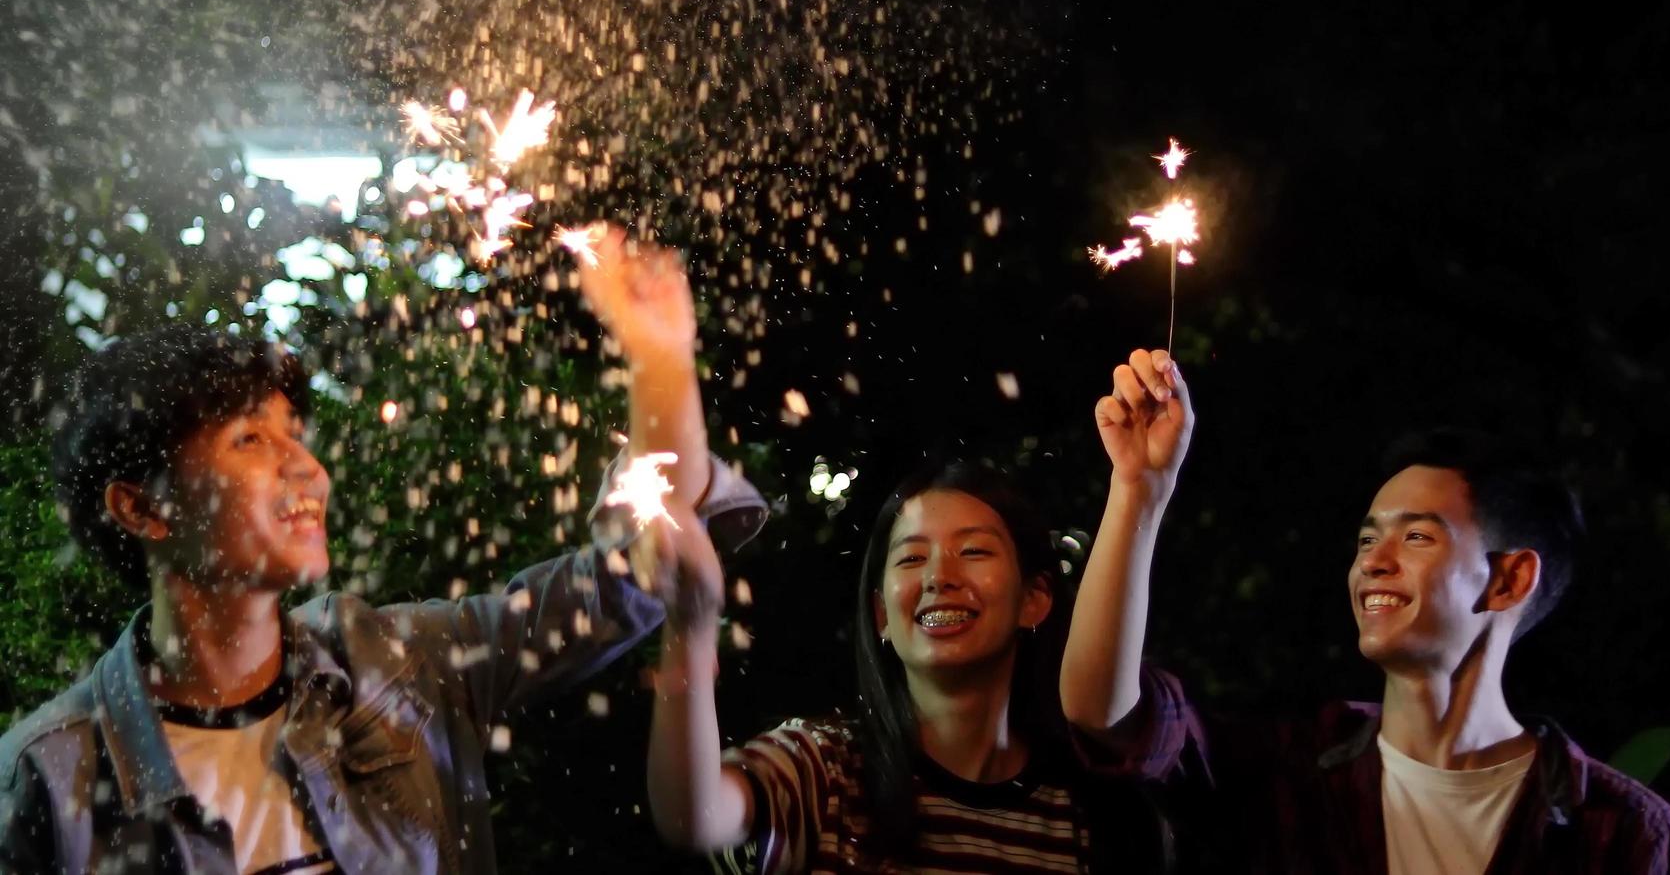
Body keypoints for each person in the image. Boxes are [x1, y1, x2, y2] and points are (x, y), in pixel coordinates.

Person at [0, 236, 762, 874]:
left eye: (295, 435)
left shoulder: (401, 668)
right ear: (142, 507)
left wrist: (660, 358)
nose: (307, 469)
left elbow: (640, 567)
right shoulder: (50, 779)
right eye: (250, 440)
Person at [635, 340, 1204, 873]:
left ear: (1034, 600)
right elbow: (694, 815)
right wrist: (691, 623)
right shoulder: (822, 772)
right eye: (910, 560)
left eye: (974, 551)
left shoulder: (1085, 817)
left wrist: (1139, 487)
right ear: (882, 616)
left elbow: (1101, 705)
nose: (938, 577)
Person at [1238, 428, 1670, 874]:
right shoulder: (1284, 777)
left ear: (1509, 581)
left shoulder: (1624, 833)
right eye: (1367, 540)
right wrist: (1159, 491)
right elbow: (1165, 747)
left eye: (1416, 537)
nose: (1372, 563)